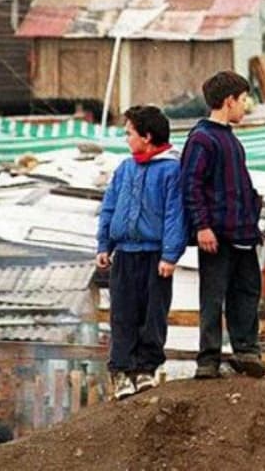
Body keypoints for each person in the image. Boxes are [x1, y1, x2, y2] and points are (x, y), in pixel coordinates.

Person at [181, 71, 265, 379]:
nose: (244, 106)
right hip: (217, 234)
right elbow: (191, 185)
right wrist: (202, 226)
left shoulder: (230, 139)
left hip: (242, 232)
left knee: (246, 292)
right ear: (228, 101)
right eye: (242, 100)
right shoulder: (202, 139)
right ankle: (209, 358)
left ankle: (246, 350)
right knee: (213, 296)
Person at [96, 105, 185, 400]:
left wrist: (170, 255)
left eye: (129, 133)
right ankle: (121, 371)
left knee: (152, 314)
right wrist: (103, 245)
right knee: (122, 314)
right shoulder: (125, 169)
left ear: (146, 137)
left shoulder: (171, 170)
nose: (126, 139)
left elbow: (175, 215)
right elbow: (109, 207)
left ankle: (145, 369)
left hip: (155, 256)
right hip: (125, 254)